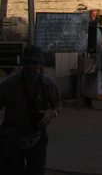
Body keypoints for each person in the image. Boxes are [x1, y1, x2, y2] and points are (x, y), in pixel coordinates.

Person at [0, 45, 63, 175]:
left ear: (40, 64)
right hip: (11, 140)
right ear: (22, 63)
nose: (30, 67)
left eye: (34, 63)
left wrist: (52, 114)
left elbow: (58, 104)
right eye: (27, 62)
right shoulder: (8, 84)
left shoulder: (48, 83)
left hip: (37, 138)